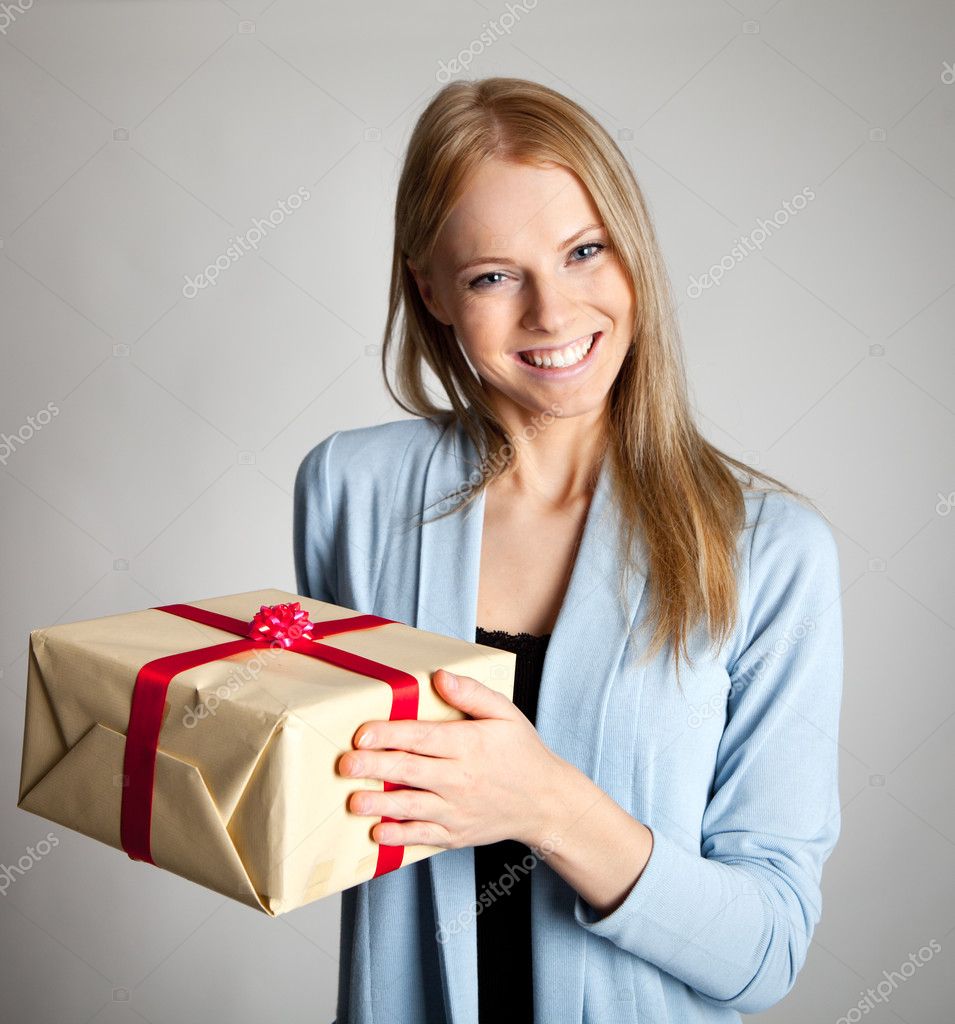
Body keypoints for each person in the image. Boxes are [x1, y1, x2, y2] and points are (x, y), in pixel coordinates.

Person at [292, 76, 844, 1024]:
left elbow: (764, 953)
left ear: (634, 255)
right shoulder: (350, 491)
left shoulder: (770, 552)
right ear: (431, 289)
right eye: (493, 276)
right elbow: (331, 810)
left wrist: (546, 805)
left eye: (584, 251)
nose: (551, 314)